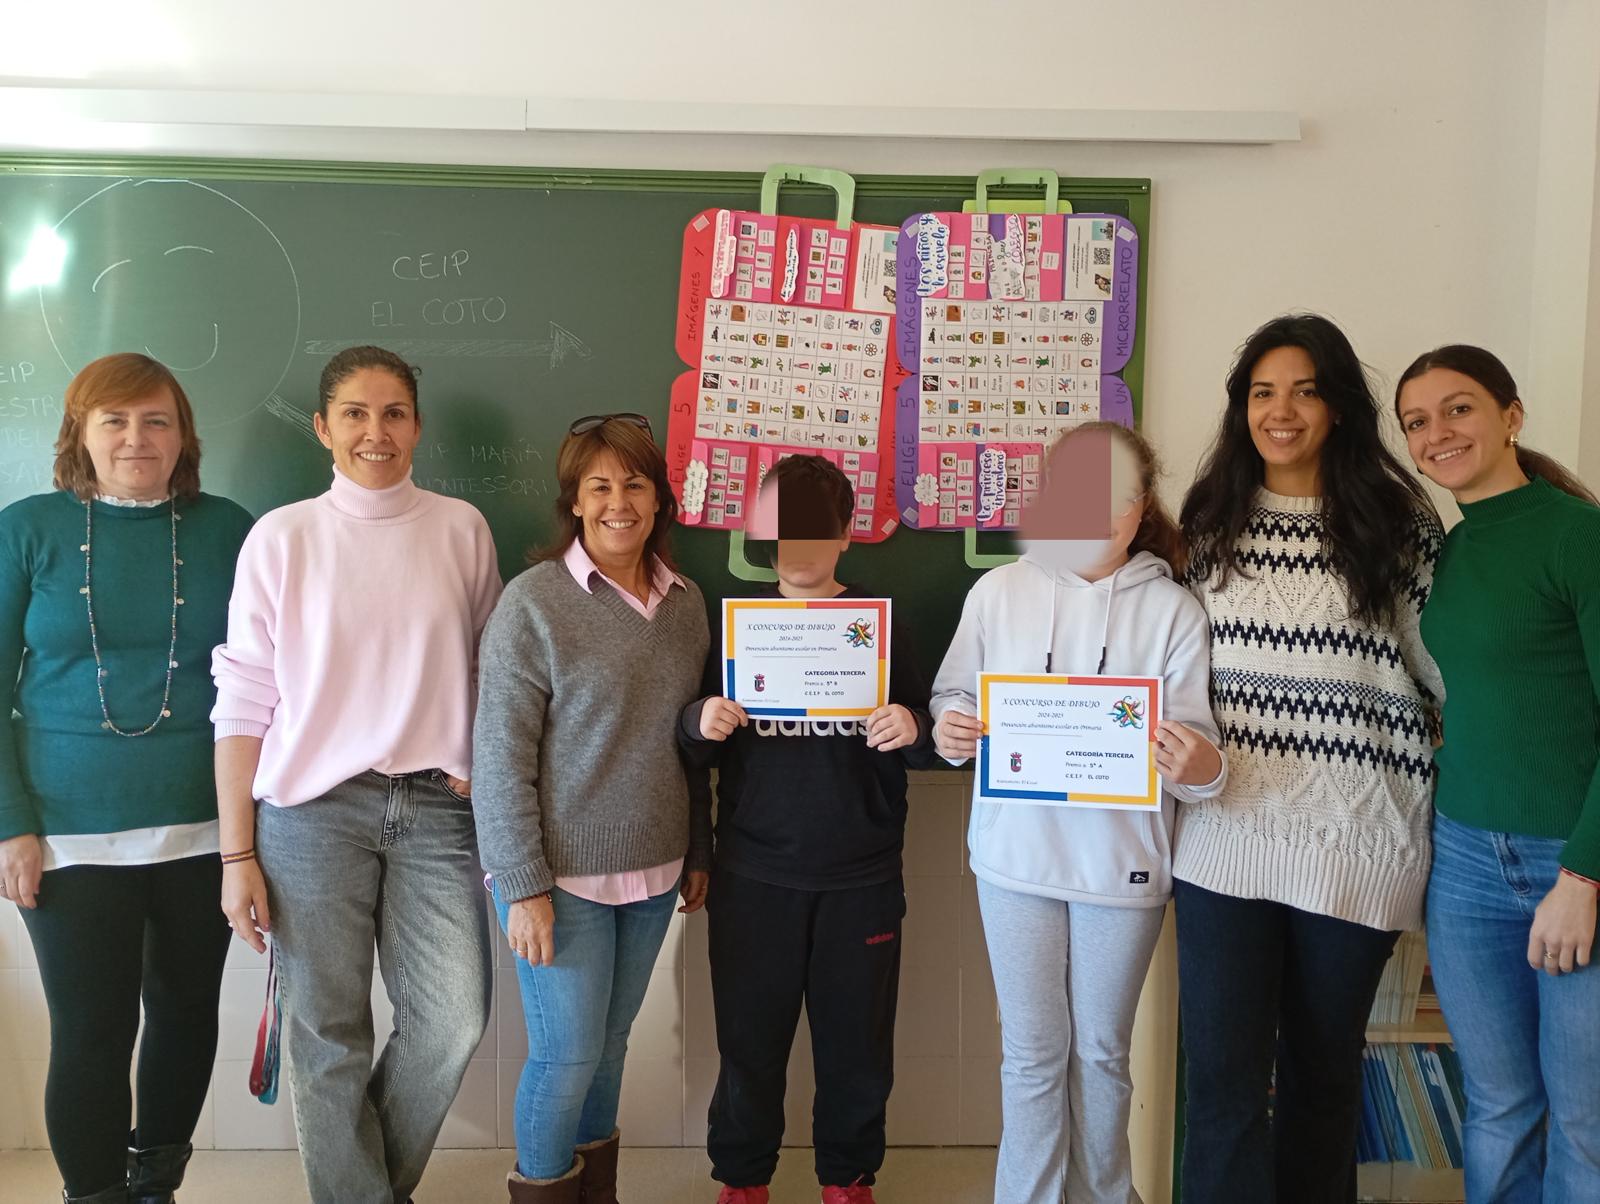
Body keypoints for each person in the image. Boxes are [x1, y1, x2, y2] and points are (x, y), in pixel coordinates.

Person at [212, 345, 501, 1204]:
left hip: (437, 807)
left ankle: (362, 1189)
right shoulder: (283, 537)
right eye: (355, 413)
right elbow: (242, 701)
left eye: (394, 413)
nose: (376, 432)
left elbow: (494, 674)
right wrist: (236, 857)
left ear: (418, 424)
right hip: (310, 811)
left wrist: (480, 764)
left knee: (453, 1020)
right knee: (325, 1031)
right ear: (322, 427)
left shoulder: (462, 529)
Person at [1173, 314, 1444, 1204]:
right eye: (1262, 391)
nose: (1281, 410)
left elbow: (1449, 675)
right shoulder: (1208, 520)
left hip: (1357, 842)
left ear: (1338, 406)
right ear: (1240, 407)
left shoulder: (1399, 525)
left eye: (1305, 389)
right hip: (1222, 842)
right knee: (1219, 1087)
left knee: (1324, 1083)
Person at [930, 422, 1226, 1204]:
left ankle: (1104, 1194)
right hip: (1015, 859)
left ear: (1139, 508)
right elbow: (954, 698)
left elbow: (1197, 754)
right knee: (1030, 1052)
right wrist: (952, 727)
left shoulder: (1174, 612)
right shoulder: (999, 591)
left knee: (1100, 1052)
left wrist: (1198, 765)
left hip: (1119, 870)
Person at [0, 353, 252, 1204]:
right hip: (68, 828)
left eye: (157, 421)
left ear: (184, 436)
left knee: (186, 1015)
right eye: (115, 421)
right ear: (80, 433)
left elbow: (271, 677)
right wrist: (9, 823)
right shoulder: (26, 528)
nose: (137, 438)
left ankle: (157, 1187)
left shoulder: (229, 529)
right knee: (91, 1029)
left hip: (208, 823)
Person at [680, 453, 938, 1204]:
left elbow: (930, 739)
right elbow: (693, 741)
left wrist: (910, 723)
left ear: (847, 535)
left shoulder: (884, 626)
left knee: (857, 1049)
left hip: (861, 875)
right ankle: (742, 1181)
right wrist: (701, 721)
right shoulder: (736, 623)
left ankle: (848, 1179)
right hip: (753, 874)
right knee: (748, 1043)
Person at [472, 413, 711, 1204]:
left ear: (658, 499)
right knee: (566, 1056)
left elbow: (694, 742)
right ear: (574, 501)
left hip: (656, 865)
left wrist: (699, 850)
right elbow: (500, 756)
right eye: (599, 486)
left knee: (609, 1050)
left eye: (635, 484)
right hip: (561, 879)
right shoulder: (533, 603)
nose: (619, 502)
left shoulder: (687, 604)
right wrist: (521, 885)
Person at [1395, 345, 1600, 1203]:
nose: (1437, 432)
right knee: (1500, 1107)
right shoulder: (1453, 551)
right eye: (1417, 422)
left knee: (1585, 1120)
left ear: (1511, 415)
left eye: (1459, 408)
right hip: (1468, 860)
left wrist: (1583, 875)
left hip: (1573, 860)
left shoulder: (1577, 536)